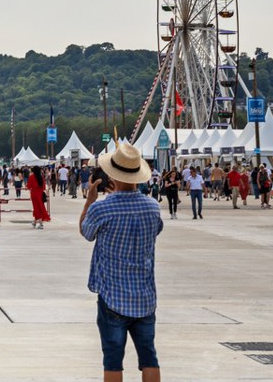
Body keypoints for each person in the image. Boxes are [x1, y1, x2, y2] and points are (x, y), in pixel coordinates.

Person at [79, 142, 163, 382]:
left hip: (113, 295)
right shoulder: (152, 207)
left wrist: (89, 202)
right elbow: (156, 230)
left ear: (112, 176)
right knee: (149, 356)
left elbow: (86, 233)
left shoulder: (102, 208)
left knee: (113, 360)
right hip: (145, 296)